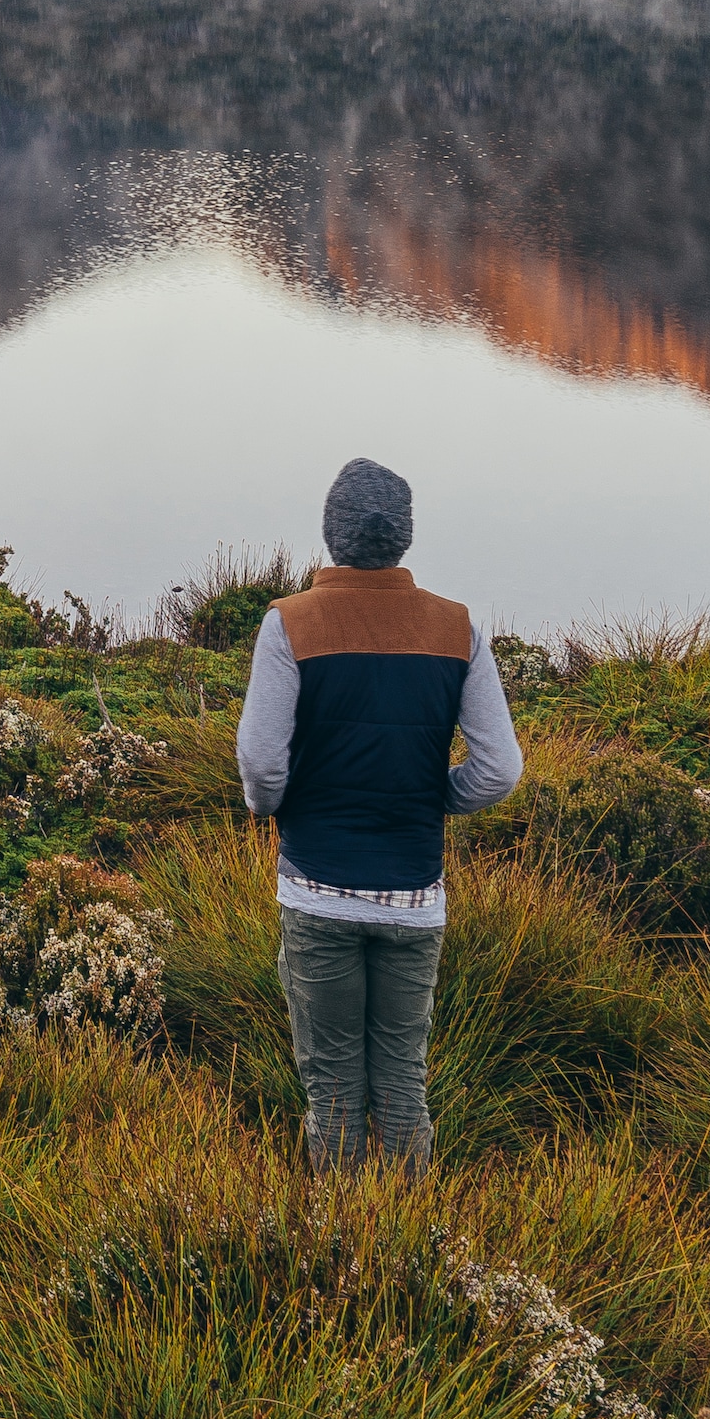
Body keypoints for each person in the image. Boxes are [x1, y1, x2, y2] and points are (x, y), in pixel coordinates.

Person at [233, 455, 520, 1169]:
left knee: (330, 1086)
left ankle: (339, 1256)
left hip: (317, 889)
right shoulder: (457, 629)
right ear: (405, 538)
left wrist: (273, 807)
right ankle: (406, 1252)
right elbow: (500, 770)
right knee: (401, 1084)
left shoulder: (288, 624)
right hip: (414, 897)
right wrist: (436, 797)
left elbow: (262, 765)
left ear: (331, 533)